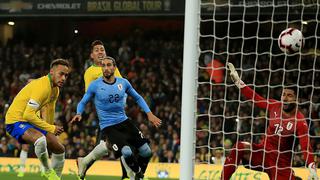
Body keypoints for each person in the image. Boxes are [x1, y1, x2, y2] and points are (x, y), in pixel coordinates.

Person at [221, 63, 318, 180]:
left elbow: (305, 147)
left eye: (290, 96)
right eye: (283, 94)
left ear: (297, 99)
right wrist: (238, 81)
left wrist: (312, 167)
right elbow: (256, 98)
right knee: (240, 147)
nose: (285, 98)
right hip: (263, 153)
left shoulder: (300, 121)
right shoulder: (275, 106)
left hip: (280, 164)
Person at [71, 56, 161, 180]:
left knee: (146, 151)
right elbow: (82, 102)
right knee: (126, 152)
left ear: (114, 67)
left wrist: (149, 114)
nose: (106, 68)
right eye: (103, 66)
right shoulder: (95, 85)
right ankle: (138, 175)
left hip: (124, 122)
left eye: (109, 65)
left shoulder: (123, 82)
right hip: (108, 126)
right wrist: (79, 113)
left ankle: (138, 175)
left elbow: (138, 97)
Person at [5, 59, 70, 180]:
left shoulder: (55, 89)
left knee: (60, 149)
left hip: (31, 120)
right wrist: (51, 128)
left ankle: (56, 178)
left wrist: (50, 130)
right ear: (51, 72)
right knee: (40, 140)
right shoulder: (42, 87)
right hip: (15, 121)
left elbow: (50, 111)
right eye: (61, 74)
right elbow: (28, 115)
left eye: (66, 75)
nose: (64, 78)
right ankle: (46, 170)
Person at [76, 40, 129, 180]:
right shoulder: (90, 72)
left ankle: (84, 163)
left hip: (118, 112)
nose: (100, 52)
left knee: (108, 146)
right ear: (91, 55)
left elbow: (122, 86)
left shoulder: (112, 67)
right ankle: (127, 176)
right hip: (104, 114)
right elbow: (89, 93)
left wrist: (123, 100)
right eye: (97, 50)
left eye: (102, 49)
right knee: (115, 144)